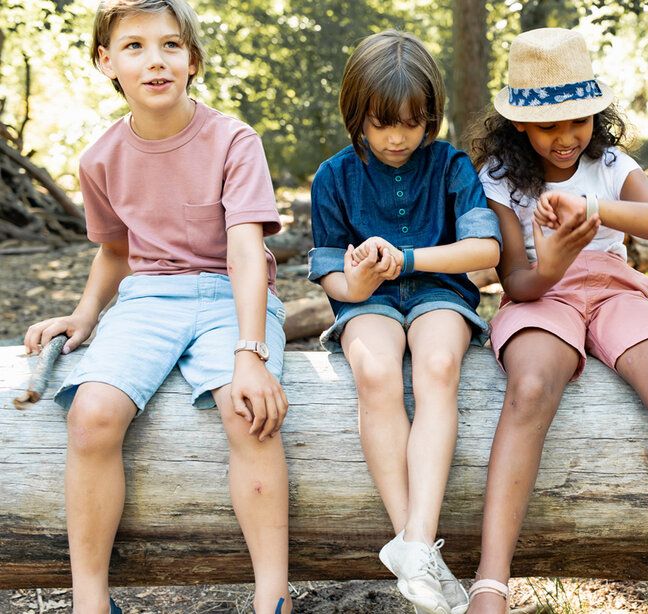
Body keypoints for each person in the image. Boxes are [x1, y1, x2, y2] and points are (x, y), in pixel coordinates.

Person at [463, 27, 648, 614]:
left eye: (579, 121)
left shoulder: (610, 163)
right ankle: (491, 582)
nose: (566, 138)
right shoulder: (498, 178)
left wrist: (594, 209)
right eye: (549, 125)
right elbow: (515, 282)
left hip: (615, 289)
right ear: (520, 123)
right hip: (544, 295)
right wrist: (555, 261)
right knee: (531, 385)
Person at [22, 1, 291, 612]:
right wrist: (85, 314)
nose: (155, 61)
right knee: (90, 415)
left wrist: (251, 352)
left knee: (247, 411)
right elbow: (116, 250)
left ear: (192, 61)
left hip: (232, 296)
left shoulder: (233, 140)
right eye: (135, 47)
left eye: (171, 46)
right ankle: (90, 599)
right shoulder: (100, 158)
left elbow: (247, 253)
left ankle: (273, 598)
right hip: (147, 299)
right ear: (106, 62)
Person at [307, 29, 502, 614]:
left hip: (440, 290)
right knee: (375, 372)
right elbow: (334, 279)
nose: (397, 138)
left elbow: (485, 253)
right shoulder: (332, 177)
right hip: (369, 304)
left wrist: (409, 258)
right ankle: (415, 543)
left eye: (413, 123)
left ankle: (417, 539)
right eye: (382, 123)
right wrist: (361, 281)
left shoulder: (451, 166)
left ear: (431, 117)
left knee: (440, 363)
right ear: (356, 116)